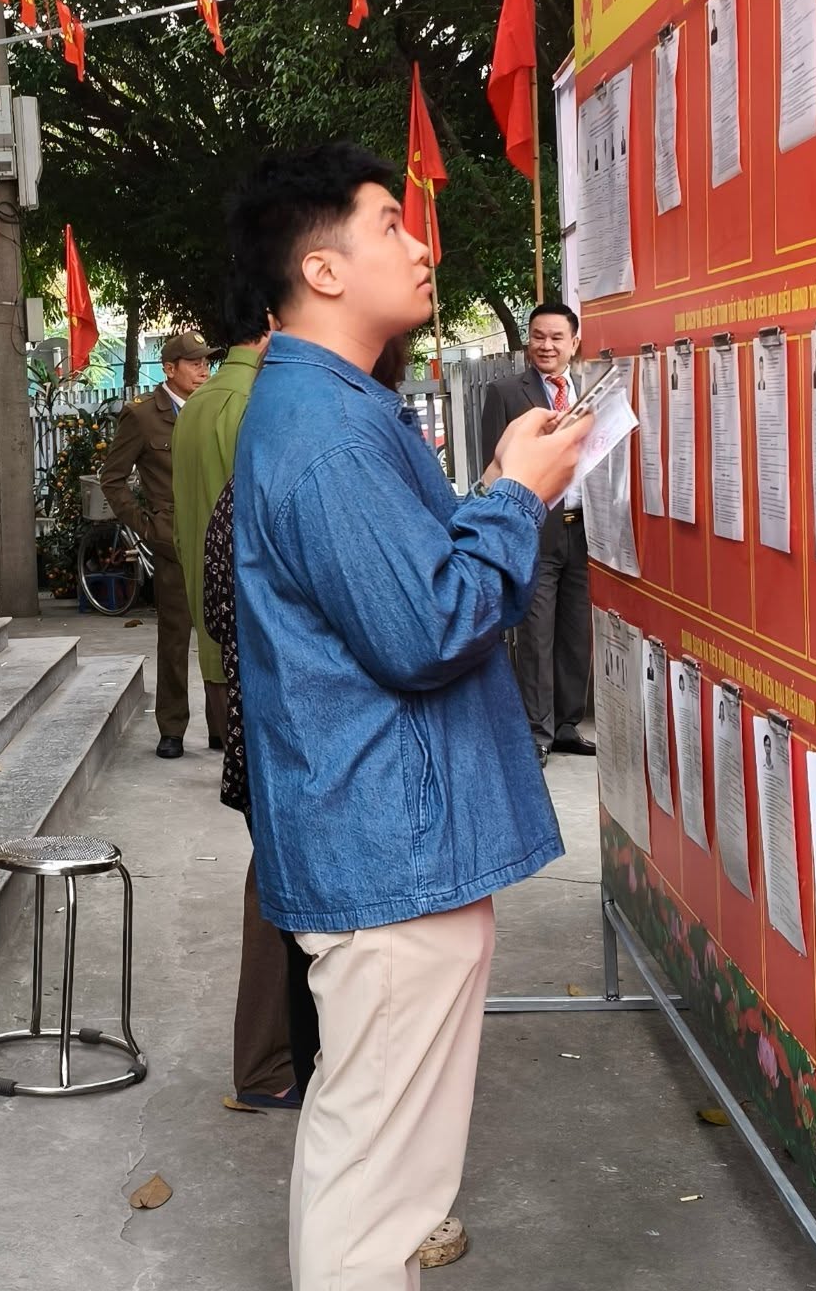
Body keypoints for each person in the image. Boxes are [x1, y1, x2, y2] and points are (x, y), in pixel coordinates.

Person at [227, 142, 587, 1288]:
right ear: (323, 269)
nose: (420, 243)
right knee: (370, 1162)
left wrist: (491, 499)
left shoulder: (334, 405)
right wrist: (514, 500)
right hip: (383, 837)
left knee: (385, 1143)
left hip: (389, 828)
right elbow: (426, 628)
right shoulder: (327, 430)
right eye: (391, 223)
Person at [170, 300, 296, 1115]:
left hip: (231, 656)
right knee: (282, 875)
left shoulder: (204, 405)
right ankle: (269, 1065)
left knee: (276, 866)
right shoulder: (262, 408)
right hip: (269, 670)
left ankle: (271, 1063)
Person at [480, 301, 597, 767]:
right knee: (536, 632)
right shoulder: (507, 392)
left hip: (583, 528)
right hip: (534, 529)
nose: (546, 345)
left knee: (575, 632)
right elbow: (495, 464)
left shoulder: (588, 391)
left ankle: (568, 724)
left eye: (556, 338)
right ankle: (536, 730)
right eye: (538, 336)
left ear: (574, 343)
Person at [101, 330, 212, 758]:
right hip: (172, 543)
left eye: (206, 362)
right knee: (174, 637)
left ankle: (221, 728)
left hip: (216, 536)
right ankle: (172, 728)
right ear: (169, 369)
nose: (203, 369)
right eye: (194, 362)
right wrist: (146, 527)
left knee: (221, 636)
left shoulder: (212, 406)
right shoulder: (143, 416)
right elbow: (113, 479)